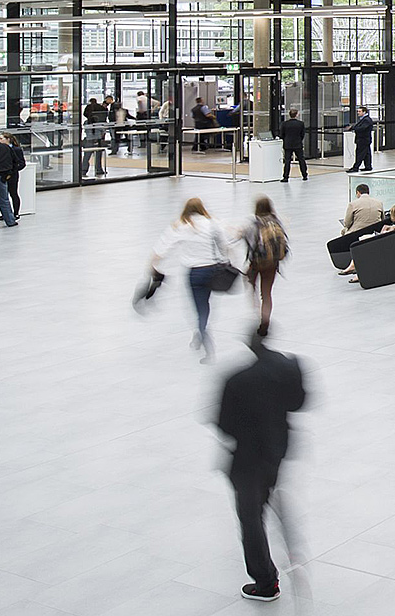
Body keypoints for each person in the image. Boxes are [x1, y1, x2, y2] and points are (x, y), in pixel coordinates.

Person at [215, 325, 307, 603]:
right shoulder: (289, 366)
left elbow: (224, 425)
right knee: (263, 501)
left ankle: (266, 582)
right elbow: (299, 402)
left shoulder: (236, 380)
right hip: (277, 450)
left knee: (250, 517)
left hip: (246, 460)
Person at [148, 197, 231, 361]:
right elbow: (225, 244)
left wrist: (154, 266)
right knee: (205, 305)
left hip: (194, 273)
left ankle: (204, 338)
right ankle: (201, 330)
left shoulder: (181, 225)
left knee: (198, 306)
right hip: (212, 271)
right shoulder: (211, 222)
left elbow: (162, 247)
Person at [241, 197, 289, 334]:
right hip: (272, 264)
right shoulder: (276, 221)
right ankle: (265, 322)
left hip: (257, 263)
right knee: (266, 294)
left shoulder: (254, 223)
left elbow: (250, 242)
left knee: (249, 281)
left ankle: (255, 304)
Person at [338, 201, 395, 282]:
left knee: (365, 242)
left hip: (391, 251)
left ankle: (357, 269)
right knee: (367, 240)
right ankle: (354, 265)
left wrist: (385, 232)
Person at [326, 184, 386, 260]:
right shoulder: (379, 203)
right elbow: (382, 219)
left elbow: (347, 223)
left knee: (344, 232)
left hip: (357, 232)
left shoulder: (353, 204)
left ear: (358, 192)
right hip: (375, 231)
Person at [0, 131, 27, 216]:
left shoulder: (16, 149)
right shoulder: (0, 149)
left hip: (12, 175)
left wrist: (13, 171)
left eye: (1, 138)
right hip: (2, 175)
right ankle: (6, 213)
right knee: (3, 195)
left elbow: (22, 163)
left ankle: (16, 213)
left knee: (13, 193)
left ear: (8, 139)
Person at [279, 108, 307, 182]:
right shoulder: (300, 124)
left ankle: (285, 177)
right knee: (301, 159)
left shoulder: (284, 124)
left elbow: (281, 135)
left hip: (288, 144)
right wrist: (299, 140)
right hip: (298, 144)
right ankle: (304, 175)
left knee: (287, 161)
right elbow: (302, 134)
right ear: (296, 115)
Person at [345, 108, 374, 172]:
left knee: (360, 154)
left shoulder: (367, 120)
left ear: (364, 112)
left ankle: (355, 167)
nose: (358, 112)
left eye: (359, 111)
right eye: (358, 111)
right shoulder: (363, 119)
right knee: (366, 154)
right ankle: (368, 166)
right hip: (364, 140)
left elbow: (362, 128)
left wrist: (353, 128)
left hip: (363, 140)